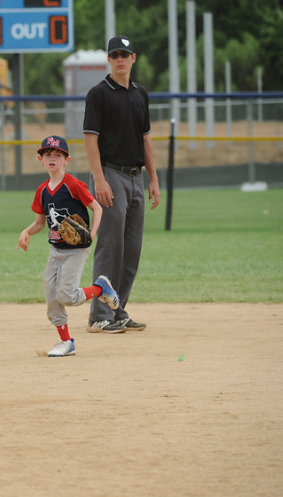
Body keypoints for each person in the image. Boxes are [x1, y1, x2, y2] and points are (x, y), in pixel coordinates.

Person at [82, 36, 161, 334]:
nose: (120, 59)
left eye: (124, 54)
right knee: (110, 246)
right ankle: (99, 316)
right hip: (110, 174)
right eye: (114, 54)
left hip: (136, 176)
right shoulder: (98, 94)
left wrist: (153, 179)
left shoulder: (141, 94)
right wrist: (99, 179)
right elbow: (91, 140)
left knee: (131, 250)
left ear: (133, 58)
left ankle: (117, 310)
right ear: (109, 59)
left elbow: (146, 140)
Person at [18, 135, 120, 357]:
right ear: (40, 159)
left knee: (66, 296)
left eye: (58, 155)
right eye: (48, 155)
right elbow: (40, 223)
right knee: (52, 299)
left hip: (76, 250)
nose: (52, 158)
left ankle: (101, 288)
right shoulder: (42, 190)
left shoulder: (73, 185)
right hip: (55, 251)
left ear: (67, 160)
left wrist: (91, 234)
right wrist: (26, 232)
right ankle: (66, 342)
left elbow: (97, 208)